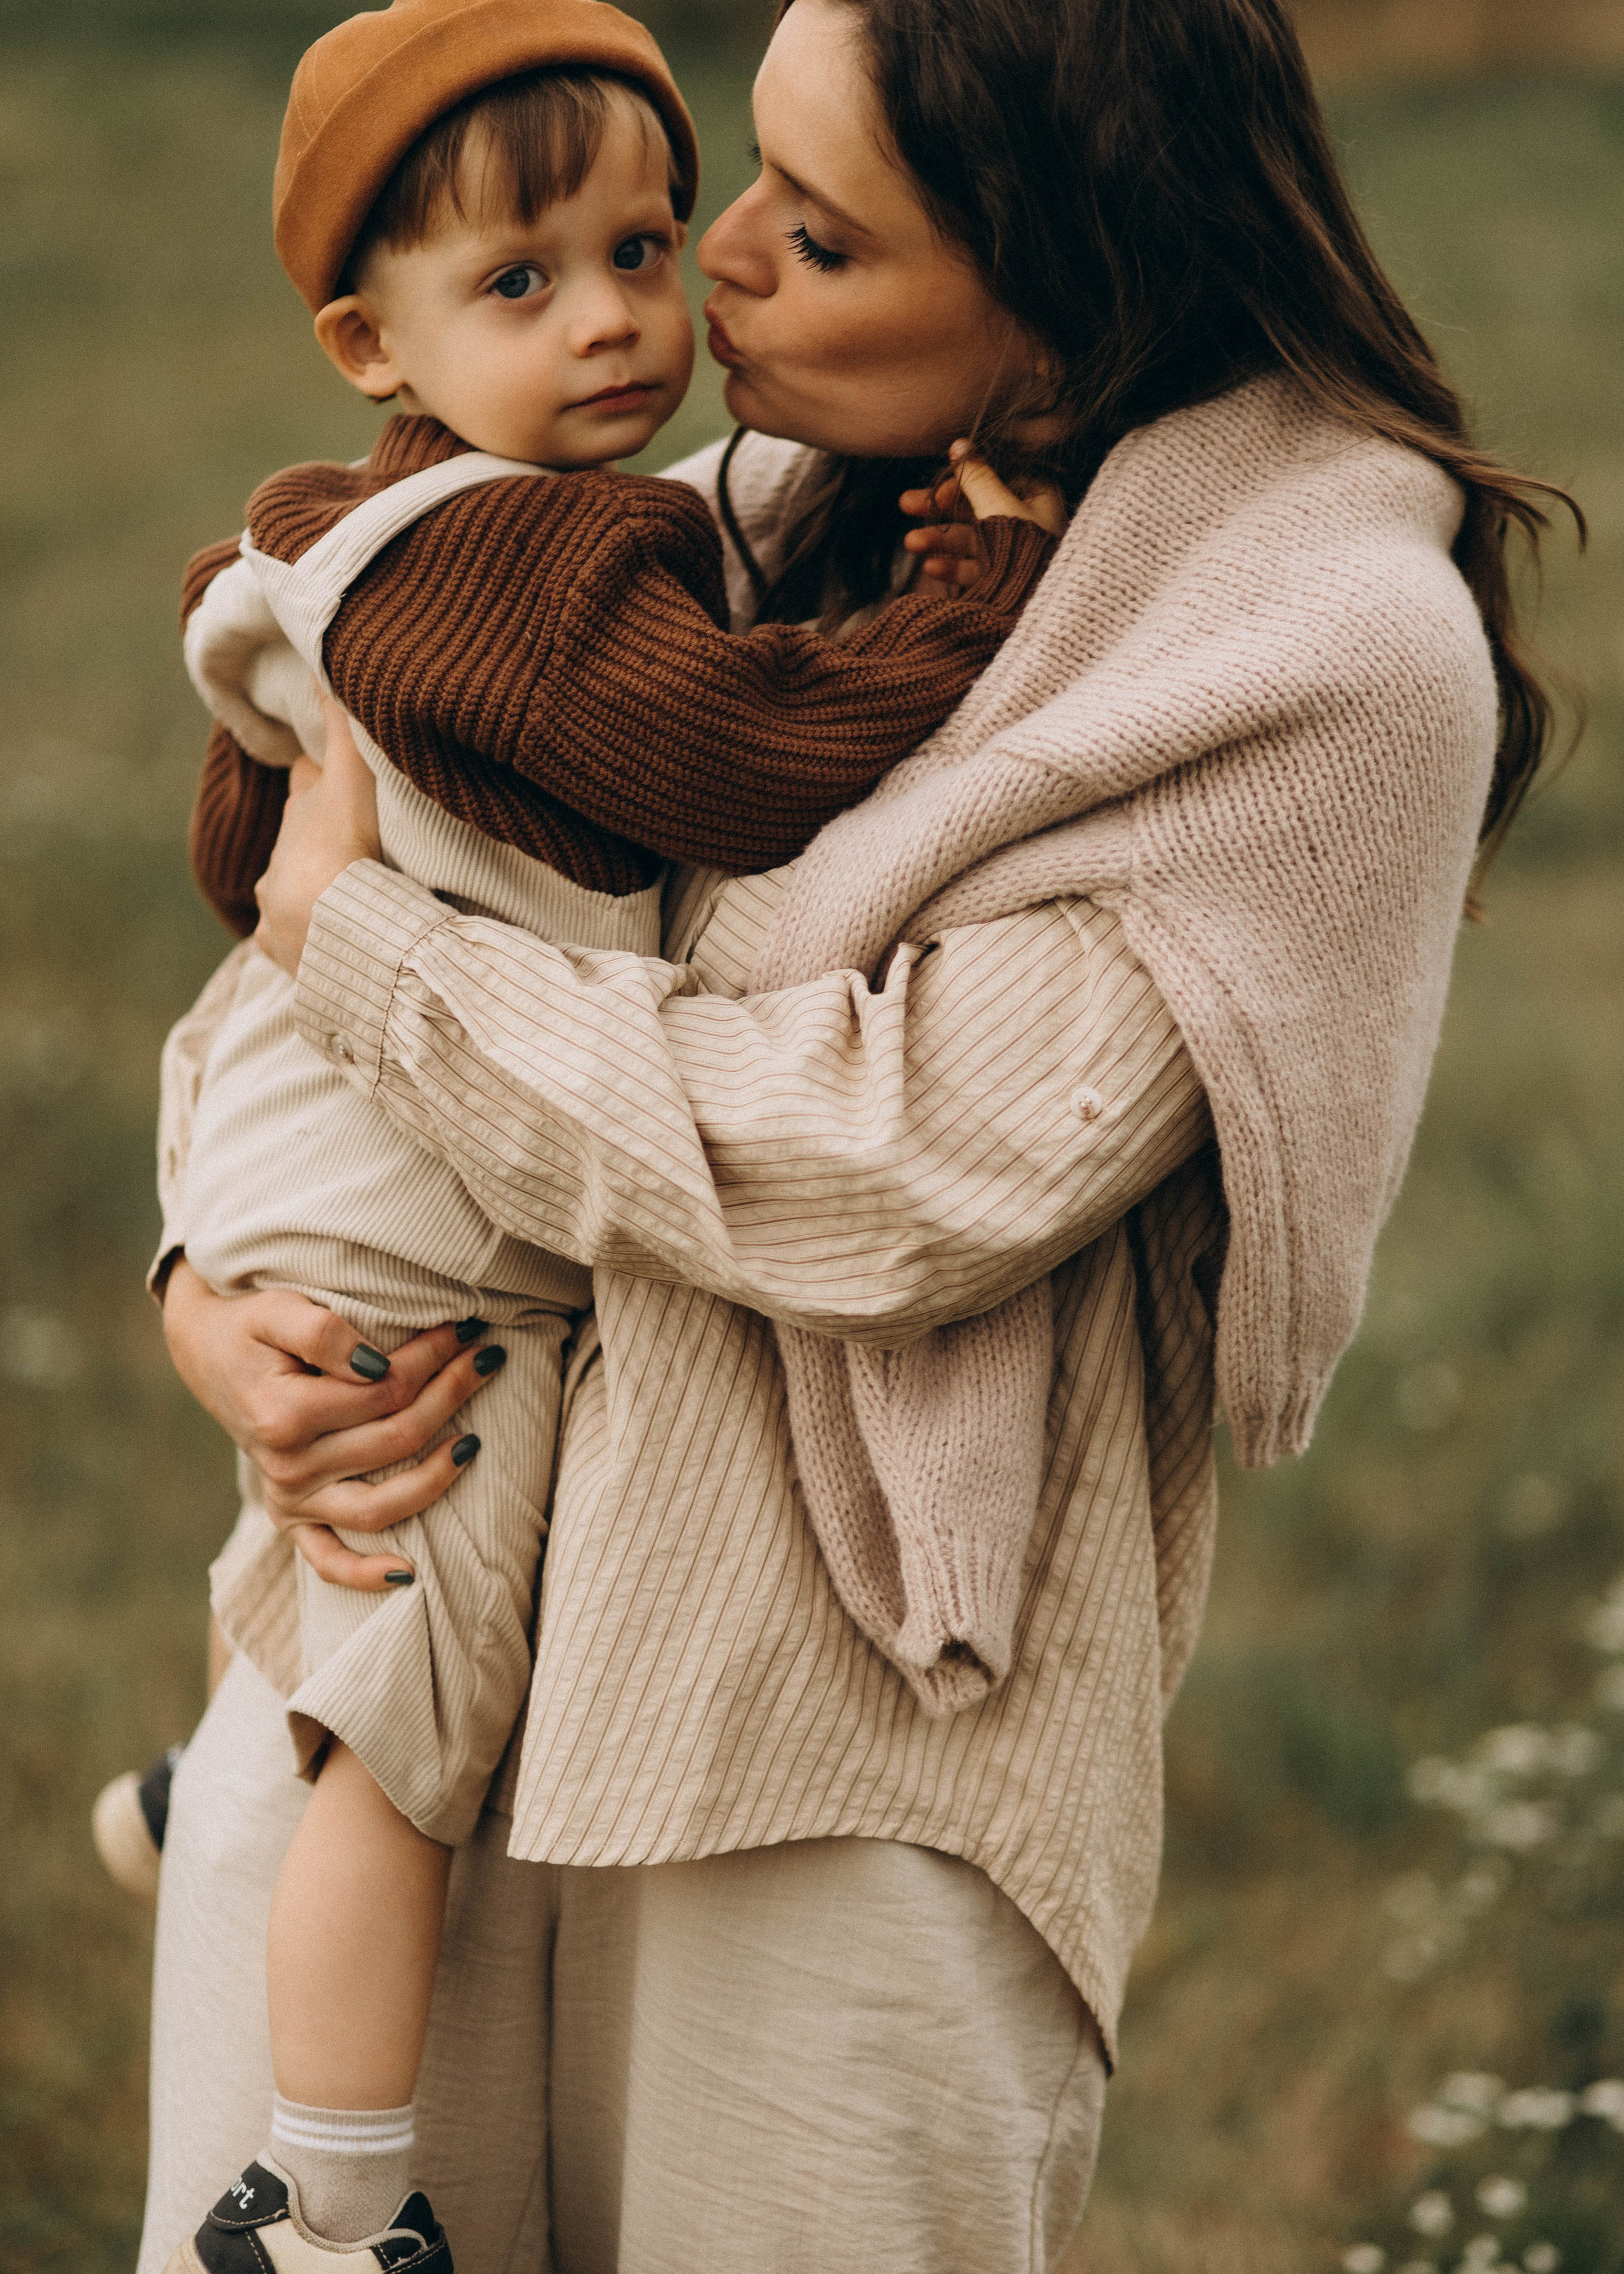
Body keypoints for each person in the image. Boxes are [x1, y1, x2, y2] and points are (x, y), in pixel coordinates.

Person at [138, 0, 1571, 2268]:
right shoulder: (732, 520)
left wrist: (368, 962)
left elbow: (896, 1174)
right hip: (389, 1639)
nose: (710, 261)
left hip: (818, 1757)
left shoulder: (1323, 660)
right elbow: (287, 946)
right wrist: (217, 1297)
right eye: (749, 178)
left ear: (1067, 294)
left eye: (818, 227)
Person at [134, 3, 1059, 2265]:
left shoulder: (401, 530)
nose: (635, 315)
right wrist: (974, 598)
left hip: (338, 1153)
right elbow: (742, 761)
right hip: (407, 1254)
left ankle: (219, 1773)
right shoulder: (500, 568)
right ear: (376, 336)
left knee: (375, 1647)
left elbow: (250, 845)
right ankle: (333, 2211)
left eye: (642, 245)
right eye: (523, 284)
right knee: (411, 1720)